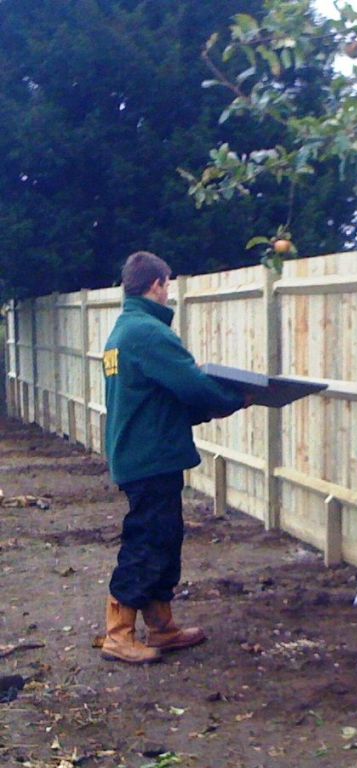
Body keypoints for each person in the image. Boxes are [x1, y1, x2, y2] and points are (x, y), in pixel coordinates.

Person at [100, 251, 246, 664]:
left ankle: (161, 627)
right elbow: (193, 386)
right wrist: (237, 398)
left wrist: (210, 405)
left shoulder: (124, 331)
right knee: (146, 543)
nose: (169, 293)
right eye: (168, 285)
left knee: (164, 539)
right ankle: (118, 634)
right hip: (150, 458)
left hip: (143, 454)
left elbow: (161, 399)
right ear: (157, 285)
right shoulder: (148, 333)